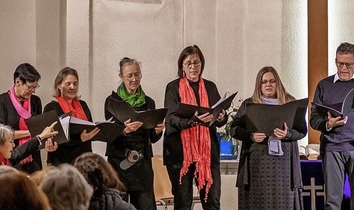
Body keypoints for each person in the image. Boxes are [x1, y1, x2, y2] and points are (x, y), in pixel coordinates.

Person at [309, 42, 354, 210]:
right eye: (339, 63)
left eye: (348, 64)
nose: (343, 68)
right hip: (332, 147)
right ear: (335, 61)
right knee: (332, 200)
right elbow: (314, 120)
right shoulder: (324, 85)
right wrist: (328, 123)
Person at [231, 66, 306, 209]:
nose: (268, 85)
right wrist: (251, 136)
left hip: (283, 165)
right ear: (258, 84)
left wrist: (287, 134)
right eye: (264, 82)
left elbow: (302, 131)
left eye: (272, 81)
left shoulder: (290, 102)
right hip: (257, 163)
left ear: (278, 83)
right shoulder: (249, 104)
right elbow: (234, 129)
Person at [163, 45, 227, 210]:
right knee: (183, 202)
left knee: (212, 202)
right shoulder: (173, 87)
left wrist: (221, 116)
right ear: (182, 66)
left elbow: (218, 117)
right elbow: (170, 118)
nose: (193, 67)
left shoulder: (210, 87)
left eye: (196, 62)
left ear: (202, 64)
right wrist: (192, 120)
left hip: (207, 153)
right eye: (189, 63)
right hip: (180, 154)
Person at [104, 57, 164, 210]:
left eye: (137, 75)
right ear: (121, 77)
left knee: (146, 205)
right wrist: (124, 131)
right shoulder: (112, 101)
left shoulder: (149, 102)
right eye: (129, 75)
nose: (134, 79)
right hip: (119, 163)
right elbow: (109, 134)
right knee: (119, 206)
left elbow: (152, 137)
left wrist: (158, 132)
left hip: (142, 164)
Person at [45, 67, 100, 165]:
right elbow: (56, 139)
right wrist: (80, 139)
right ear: (58, 85)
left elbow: (90, 128)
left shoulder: (83, 105)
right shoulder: (51, 108)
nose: (72, 87)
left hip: (84, 160)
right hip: (61, 161)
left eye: (75, 84)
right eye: (68, 84)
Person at [0, 63, 45, 173]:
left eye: (35, 87)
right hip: (12, 157)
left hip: (33, 158)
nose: (33, 91)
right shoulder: (2, 101)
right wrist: (31, 133)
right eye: (30, 87)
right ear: (18, 82)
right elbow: (3, 135)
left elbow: (40, 128)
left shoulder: (35, 101)